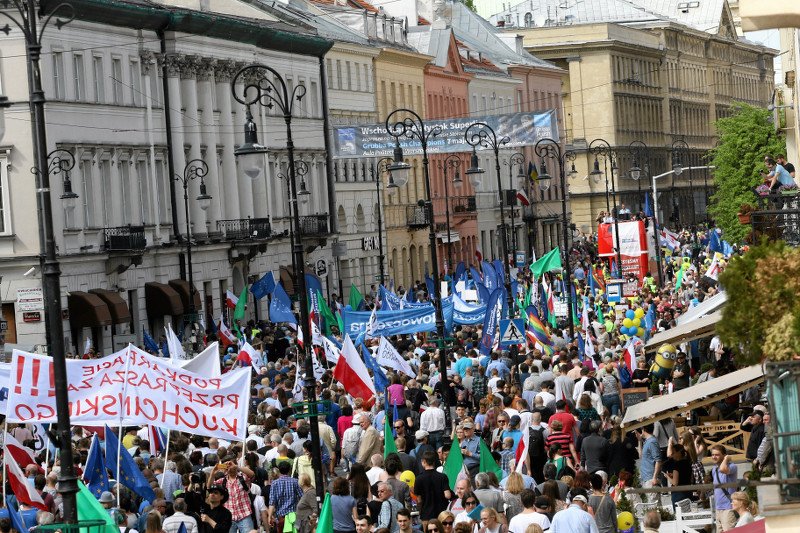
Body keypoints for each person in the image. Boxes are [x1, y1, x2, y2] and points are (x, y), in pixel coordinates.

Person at [415, 451, 452, 523]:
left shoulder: (419, 478)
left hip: (426, 515)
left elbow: (419, 500)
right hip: (441, 515)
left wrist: (420, 511)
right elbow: (448, 495)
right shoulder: (442, 476)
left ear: (424, 462)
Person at [267, 461, 303, 533]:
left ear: (279, 470)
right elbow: (302, 497)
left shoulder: (274, 483)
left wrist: (269, 516)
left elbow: (272, 502)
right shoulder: (295, 482)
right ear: (289, 470)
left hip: (280, 517)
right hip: (294, 516)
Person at [710, 444, 738, 532]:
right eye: (713, 454)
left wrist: (726, 459)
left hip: (728, 507)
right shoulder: (714, 469)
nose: (714, 457)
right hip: (718, 508)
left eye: (717, 455)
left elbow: (723, 469)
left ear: (724, 455)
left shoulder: (732, 466)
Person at [662, 439, 693, 505]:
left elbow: (675, 483)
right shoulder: (687, 462)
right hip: (688, 491)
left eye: (673, 453)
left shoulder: (677, 464)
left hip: (679, 494)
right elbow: (685, 475)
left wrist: (667, 476)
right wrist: (673, 475)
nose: (672, 455)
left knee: (679, 513)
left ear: (678, 453)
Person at [637, 424, 661, 502]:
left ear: (643, 429)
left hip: (651, 478)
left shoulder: (652, 442)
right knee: (650, 507)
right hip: (646, 478)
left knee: (654, 506)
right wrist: (639, 441)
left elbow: (658, 460)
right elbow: (641, 455)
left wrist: (654, 477)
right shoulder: (647, 441)